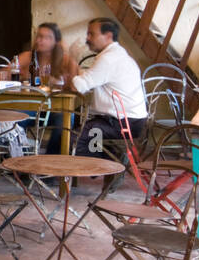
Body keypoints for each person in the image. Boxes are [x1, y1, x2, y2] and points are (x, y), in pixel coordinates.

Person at [64, 18, 148, 158]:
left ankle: (113, 161)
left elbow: (75, 88)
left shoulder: (109, 59)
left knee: (71, 141)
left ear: (108, 36)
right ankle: (63, 167)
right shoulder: (115, 54)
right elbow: (89, 79)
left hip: (123, 124)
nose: (87, 38)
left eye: (92, 34)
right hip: (127, 119)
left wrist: (72, 58)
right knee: (69, 118)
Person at [15, 22, 81, 155]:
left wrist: (72, 57)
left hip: (56, 109)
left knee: (65, 120)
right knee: (10, 116)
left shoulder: (66, 60)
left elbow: (76, 88)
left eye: (47, 37)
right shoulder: (28, 56)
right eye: (39, 36)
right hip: (31, 107)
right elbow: (6, 72)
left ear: (56, 41)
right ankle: (17, 160)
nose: (40, 40)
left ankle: (51, 167)